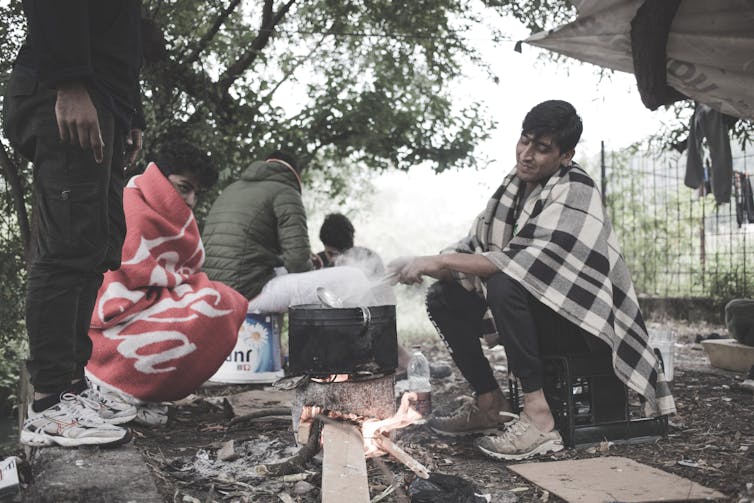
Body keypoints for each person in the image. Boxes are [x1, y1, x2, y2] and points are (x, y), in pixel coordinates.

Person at [388, 100, 676, 460]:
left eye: (541, 149)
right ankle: (489, 402)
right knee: (444, 297)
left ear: (566, 155)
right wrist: (421, 264)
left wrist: (438, 259)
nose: (526, 154)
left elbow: (512, 264)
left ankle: (539, 417)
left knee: (505, 282)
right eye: (524, 141)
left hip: (583, 328)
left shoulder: (575, 190)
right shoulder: (513, 187)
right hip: (538, 313)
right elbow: (474, 251)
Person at [3, 0, 145, 447]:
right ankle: (48, 405)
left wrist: (130, 113)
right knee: (66, 246)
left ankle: (70, 386)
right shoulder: (69, 84)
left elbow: (120, 29)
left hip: (103, 98)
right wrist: (69, 82)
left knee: (92, 247)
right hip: (66, 90)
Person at [85, 139, 248, 426]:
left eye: (196, 192)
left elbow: (176, 278)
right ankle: (114, 389)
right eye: (184, 187)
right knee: (214, 305)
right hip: (104, 335)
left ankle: (139, 394)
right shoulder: (130, 207)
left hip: (137, 315)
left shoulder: (165, 215)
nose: (190, 200)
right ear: (160, 179)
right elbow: (116, 289)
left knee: (220, 301)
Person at [202, 153, 375, 313]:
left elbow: (247, 252)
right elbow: (298, 263)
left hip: (213, 292)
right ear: (296, 176)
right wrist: (308, 264)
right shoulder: (285, 191)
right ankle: (374, 343)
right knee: (354, 277)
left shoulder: (231, 190)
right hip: (246, 293)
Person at [315, 213, 451, 378]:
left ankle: (406, 364)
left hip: (367, 324)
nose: (335, 258)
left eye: (340, 253)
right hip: (332, 335)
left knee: (380, 320)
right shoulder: (319, 264)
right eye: (331, 253)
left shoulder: (367, 258)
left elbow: (385, 298)